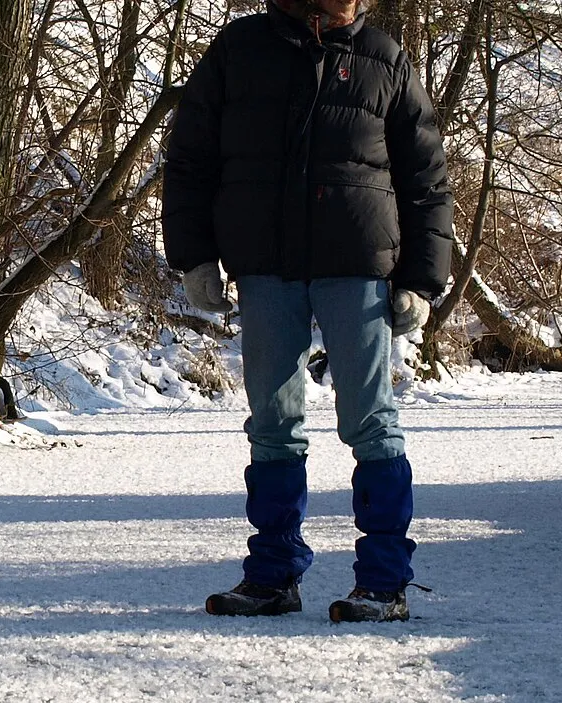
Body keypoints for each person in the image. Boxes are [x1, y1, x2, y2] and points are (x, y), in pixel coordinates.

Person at [163, 0, 453, 622]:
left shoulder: (384, 58)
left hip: (360, 265)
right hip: (266, 265)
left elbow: (426, 177)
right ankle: (272, 575)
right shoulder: (239, 49)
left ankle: (383, 582)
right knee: (272, 423)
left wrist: (422, 280)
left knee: (372, 421)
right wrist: (193, 256)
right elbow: (190, 158)